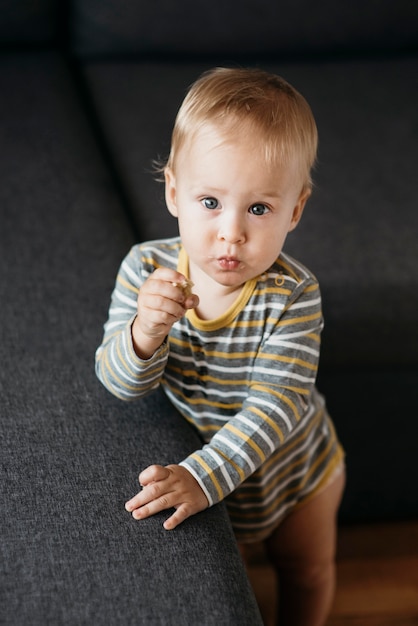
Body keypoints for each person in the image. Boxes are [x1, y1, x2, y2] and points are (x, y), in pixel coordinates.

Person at [95, 67, 345, 626]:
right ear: (174, 193)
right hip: (212, 463)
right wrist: (144, 333)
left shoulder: (293, 295)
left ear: (295, 211)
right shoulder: (145, 270)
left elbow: (278, 407)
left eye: (259, 209)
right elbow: (117, 382)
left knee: (305, 570)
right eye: (211, 202)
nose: (231, 232)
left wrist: (202, 478)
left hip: (298, 471)